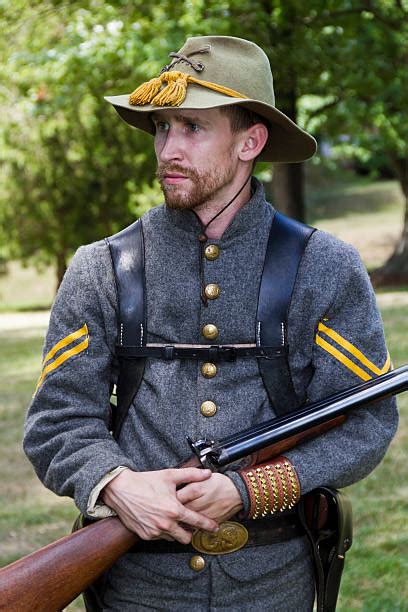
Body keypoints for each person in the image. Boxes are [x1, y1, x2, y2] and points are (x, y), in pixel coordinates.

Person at [24, 36, 398, 611]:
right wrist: (119, 484)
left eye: (192, 128)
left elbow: (363, 422)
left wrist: (249, 489)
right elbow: (56, 423)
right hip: (137, 590)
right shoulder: (101, 269)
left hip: (272, 586)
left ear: (251, 142)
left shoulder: (326, 268)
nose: (168, 148)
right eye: (161, 128)